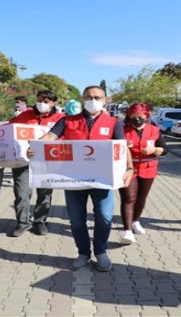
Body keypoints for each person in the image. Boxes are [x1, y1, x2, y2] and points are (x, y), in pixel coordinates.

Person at [29, 86, 134, 272]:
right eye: (88, 97)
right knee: (77, 220)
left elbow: (123, 146)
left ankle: (101, 252)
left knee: (104, 217)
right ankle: (83, 253)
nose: (92, 100)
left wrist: (129, 168)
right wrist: (36, 147)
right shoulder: (67, 120)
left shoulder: (113, 122)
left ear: (104, 100)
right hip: (73, 179)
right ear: (82, 98)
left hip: (102, 179)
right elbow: (50, 136)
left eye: (97, 97)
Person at [8, 90, 64, 236]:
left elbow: (65, 139)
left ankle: (40, 222)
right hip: (23, 161)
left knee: (45, 194)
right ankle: (23, 222)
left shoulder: (61, 118)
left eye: (46, 101)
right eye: (40, 100)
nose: (42, 104)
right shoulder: (24, 116)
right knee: (22, 192)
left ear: (53, 103)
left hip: (48, 163)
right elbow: (8, 130)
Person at [118, 103, 168, 244]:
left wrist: (155, 150)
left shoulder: (155, 130)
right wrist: (122, 147)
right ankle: (127, 231)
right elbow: (112, 148)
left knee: (141, 198)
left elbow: (165, 149)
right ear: (129, 116)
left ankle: (135, 221)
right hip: (128, 168)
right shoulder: (122, 130)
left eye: (140, 116)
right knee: (128, 198)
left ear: (147, 116)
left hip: (148, 167)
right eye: (133, 116)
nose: (137, 119)